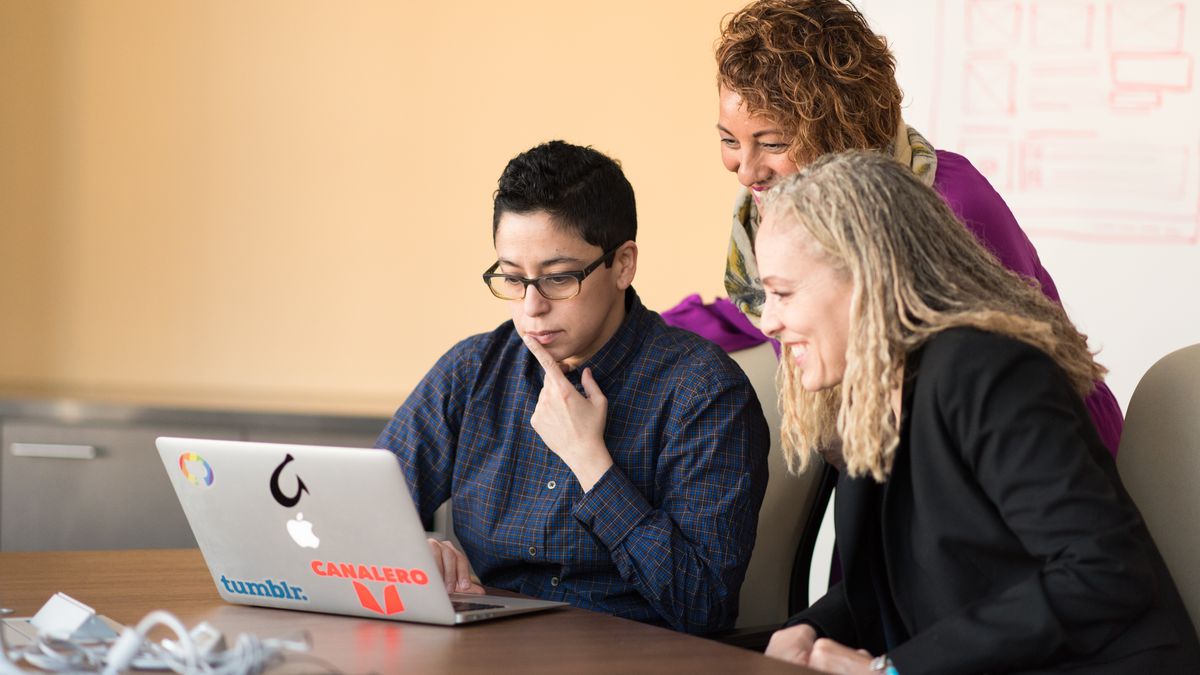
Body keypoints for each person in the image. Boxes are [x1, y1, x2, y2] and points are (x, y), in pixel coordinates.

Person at [754, 150, 1200, 674]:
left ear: (866, 278)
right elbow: (888, 585)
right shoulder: (871, 387)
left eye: (781, 293)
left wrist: (890, 670)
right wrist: (808, 632)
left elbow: (1102, 572)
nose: (767, 321)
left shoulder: (991, 371)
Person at [374, 140, 770, 634]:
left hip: (635, 659)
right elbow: (362, 514)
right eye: (514, 279)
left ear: (623, 264)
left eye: (558, 279)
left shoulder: (703, 392)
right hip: (488, 653)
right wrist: (409, 553)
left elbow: (702, 605)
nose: (532, 307)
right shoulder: (474, 371)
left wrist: (591, 462)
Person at [713, 0, 1124, 454]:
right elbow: (764, 305)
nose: (746, 171)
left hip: (1042, 453)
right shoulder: (772, 215)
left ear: (837, 131)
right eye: (729, 141)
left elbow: (1018, 373)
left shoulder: (948, 200)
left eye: (772, 143)